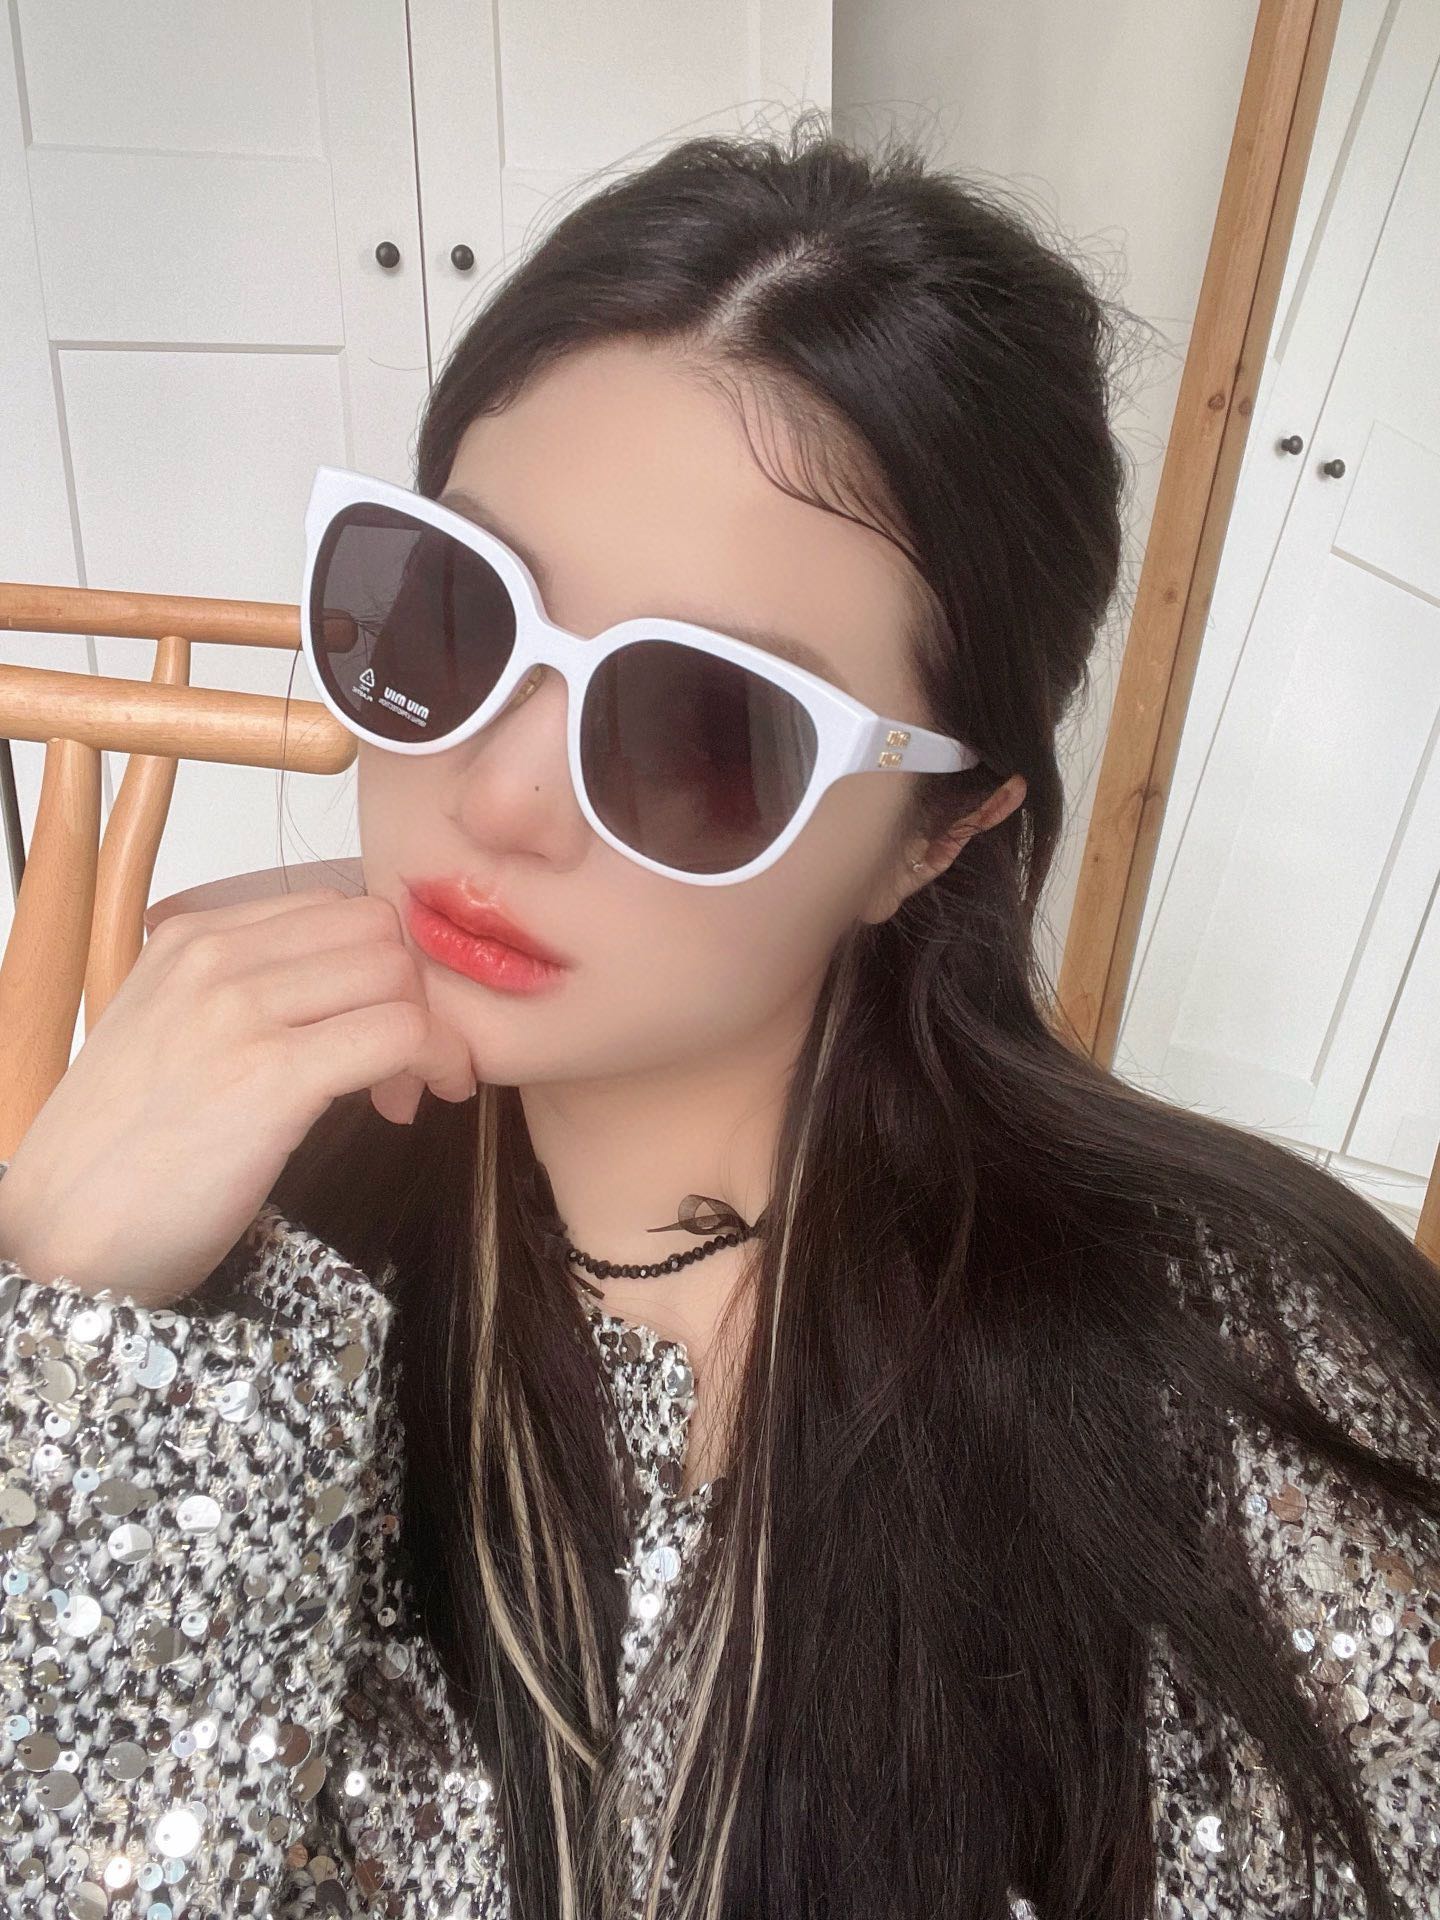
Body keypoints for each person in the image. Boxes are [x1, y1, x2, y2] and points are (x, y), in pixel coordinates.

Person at [1, 111, 1438, 1920]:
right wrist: (78, 1340)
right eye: (451, 617)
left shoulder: (1233, 1390)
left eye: (706, 729)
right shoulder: (215, 1274)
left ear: (934, 836)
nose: (498, 796)